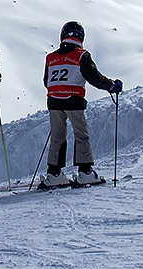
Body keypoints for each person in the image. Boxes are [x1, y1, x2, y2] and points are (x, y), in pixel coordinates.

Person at [41, 21, 122, 188]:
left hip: (54, 101)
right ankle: (85, 172)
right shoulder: (81, 55)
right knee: (81, 134)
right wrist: (111, 86)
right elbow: (94, 77)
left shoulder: (51, 57)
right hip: (74, 100)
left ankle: (54, 173)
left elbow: (46, 81)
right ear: (80, 37)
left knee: (57, 137)